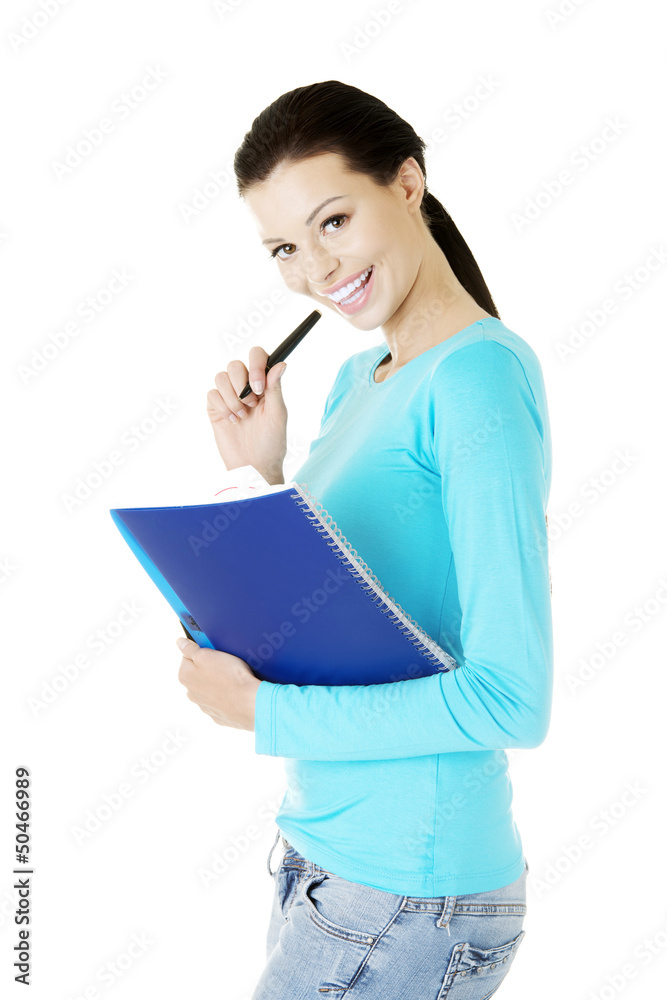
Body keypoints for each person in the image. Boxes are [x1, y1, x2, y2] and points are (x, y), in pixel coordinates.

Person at [176, 80, 553, 999]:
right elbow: (344, 617)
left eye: (333, 222)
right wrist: (260, 477)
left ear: (409, 184)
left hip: (408, 894)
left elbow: (512, 699)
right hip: (328, 866)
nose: (313, 271)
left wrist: (263, 715)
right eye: (283, 249)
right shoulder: (359, 379)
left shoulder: (476, 380)